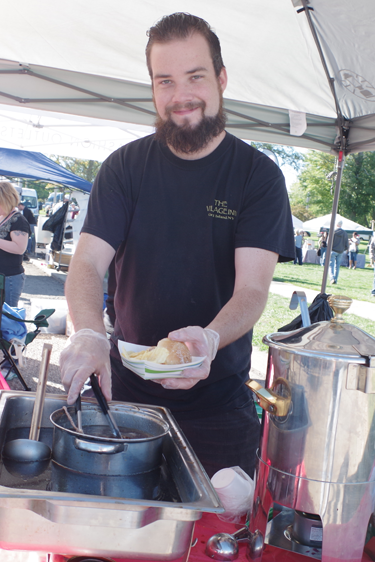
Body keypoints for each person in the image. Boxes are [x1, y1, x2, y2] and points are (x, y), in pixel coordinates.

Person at [59, 12, 295, 478]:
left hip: (219, 405)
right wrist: (87, 333)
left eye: (195, 76)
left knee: (214, 538)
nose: (180, 95)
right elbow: (87, 264)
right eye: (164, 80)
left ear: (221, 79)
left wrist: (208, 338)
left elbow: (251, 291)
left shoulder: (258, 176)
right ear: (151, 88)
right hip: (123, 394)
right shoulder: (124, 167)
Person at [0, 181, 31, 307]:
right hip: (4, 276)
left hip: (9, 278)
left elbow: (19, 248)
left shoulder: (19, 220)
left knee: (8, 318)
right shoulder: (4, 217)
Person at [329, 220, 349, 284]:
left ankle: (332, 278)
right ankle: (336, 280)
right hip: (340, 251)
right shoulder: (345, 233)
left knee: (331, 265)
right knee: (337, 266)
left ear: (336, 224)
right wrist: (343, 249)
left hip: (332, 250)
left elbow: (328, 242)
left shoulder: (333, 232)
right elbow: (347, 244)